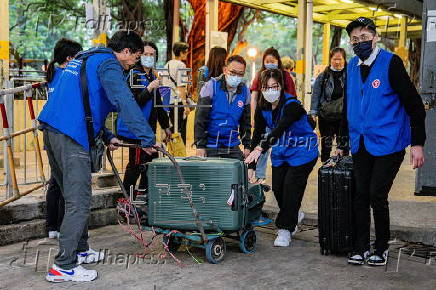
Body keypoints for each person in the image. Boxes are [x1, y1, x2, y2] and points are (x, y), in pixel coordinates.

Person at [38, 31, 157, 283]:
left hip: (54, 130)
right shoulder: (109, 64)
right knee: (79, 201)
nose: (134, 63)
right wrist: (147, 138)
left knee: (73, 197)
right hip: (71, 135)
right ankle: (64, 266)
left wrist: (106, 134)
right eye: (135, 57)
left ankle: (80, 251)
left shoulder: (89, 57)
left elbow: (85, 100)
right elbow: (123, 100)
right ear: (125, 52)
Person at [338, 17, 426, 266]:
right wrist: (344, 141)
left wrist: (417, 143)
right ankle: (360, 246)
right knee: (360, 194)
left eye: (364, 38)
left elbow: (414, 104)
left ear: (375, 37)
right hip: (362, 142)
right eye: (355, 39)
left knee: (377, 194)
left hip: (389, 142)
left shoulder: (391, 63)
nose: (360, 43)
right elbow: (349, 105)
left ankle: (381, 246)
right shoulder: (352, 66)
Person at [245, 69, 318, 247]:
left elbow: (279, 130)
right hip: (281, 152)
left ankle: (285, 229)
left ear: (281, 86)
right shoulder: (262, 107)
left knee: (291, 186)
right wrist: (252, 165)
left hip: (303, 152)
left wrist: (261, 148)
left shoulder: (292, 105)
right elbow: (258, 133)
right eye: (266, 87)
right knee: (278, 188)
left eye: (274, 87)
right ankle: (294, 213)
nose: (270, 91)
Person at [116, 41, 171, 193]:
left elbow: (158, 103)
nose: (148, 57)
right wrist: (149, 88)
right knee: (136, 164)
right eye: (145, 54)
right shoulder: (134, 74)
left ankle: (144, 195)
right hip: (137, 130)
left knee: (150, 164)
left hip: (148, 129)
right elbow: (134, 102)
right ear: (139, 56)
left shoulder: (152, 75)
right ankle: (126, 197)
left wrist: (166, 127)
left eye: (151, 55)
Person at [44, 38, 82, 242]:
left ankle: (52, 226)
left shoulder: (53, 74)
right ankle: (58, 225)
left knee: (56, 182)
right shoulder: (67, 76)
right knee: (64, 183)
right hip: (62, 135)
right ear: (70, 58)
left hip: (51, 133)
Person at [250, 48, 297, 184]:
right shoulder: (259, 75)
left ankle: (286, 172)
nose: (270, 63)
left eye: (273, 61)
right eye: (267, 61)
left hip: (283, 118)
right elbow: (254, 97)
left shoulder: (285, 76)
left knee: (282, 145)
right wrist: (254, 116)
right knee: (262, 143)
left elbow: (292, 96)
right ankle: (259, 174)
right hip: (266, 116)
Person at [194, 55, 251, 160]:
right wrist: (200, 146)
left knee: (240, 172)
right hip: (211, 145)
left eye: (240, 74)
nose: (236, 76)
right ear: (225, 70)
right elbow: (200, 118)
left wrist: (247, 146)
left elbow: (245, 122)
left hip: (232, 145)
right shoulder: (210, 86)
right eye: (233, 72)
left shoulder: (245, 91)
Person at [310, 47, 348, 162]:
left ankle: (343, 169)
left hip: (343, 116)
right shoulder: (323, 76)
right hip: (326, 116)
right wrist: (313, 112)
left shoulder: (350, 75)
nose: (337, 62)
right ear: (330, 59)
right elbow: (315, 94)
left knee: (344, 145)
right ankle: (325, 168)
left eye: (340, 59)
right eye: (334, 59)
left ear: (344, 60)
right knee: (326, 145)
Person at [162, 42, 190, 145]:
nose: (187, 54)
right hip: (177, 102)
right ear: (181, 53)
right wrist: (185, 105)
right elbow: (181, 86)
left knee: (172, 128)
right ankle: (180, 154)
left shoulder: (167, 64)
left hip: (167, 101)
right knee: (180, 130)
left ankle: (170, 150)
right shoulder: (181, 65)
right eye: (186, 52)